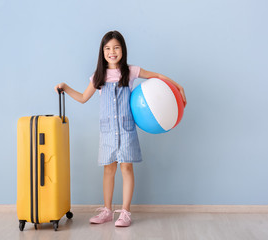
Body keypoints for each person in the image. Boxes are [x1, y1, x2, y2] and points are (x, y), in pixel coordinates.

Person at [55, 30, 186, 227]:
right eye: (107, 48)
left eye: (116, 47)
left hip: (126, 130)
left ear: (122, 50)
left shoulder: (131, 71)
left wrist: (177, 86)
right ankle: (107, 211)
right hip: (108, 131)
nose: (112, 52)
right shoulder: (98, 77)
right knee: (109, 169)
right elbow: (83, 98)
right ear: (102, 52)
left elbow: (157, 76)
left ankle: (125, 212)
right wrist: (65, 87)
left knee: (126, 167)